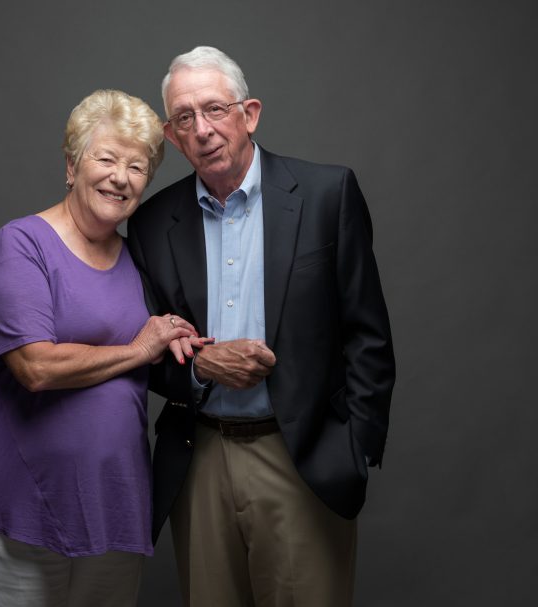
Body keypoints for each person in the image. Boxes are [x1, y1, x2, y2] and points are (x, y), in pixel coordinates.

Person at [126, 47, 396, 607]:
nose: (202, 129)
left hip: (301, 458)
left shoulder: (326, 194)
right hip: (197, 460)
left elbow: (367, 334)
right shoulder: (152, 223)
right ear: (172, 137)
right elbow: (146, 352)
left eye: (215, 109)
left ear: (249, 114)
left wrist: (353, 447)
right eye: (184, 118)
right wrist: (200, 366)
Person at [0, 89, 201, 607]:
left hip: (114, 506)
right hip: (20, 504)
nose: (120, 177)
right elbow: (35, 365)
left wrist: (188, 345)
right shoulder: (21, 244)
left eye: (137, 167)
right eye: (105, 159)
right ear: (72, 165)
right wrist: (140, 349)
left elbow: (167, 347)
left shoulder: (138, 258)